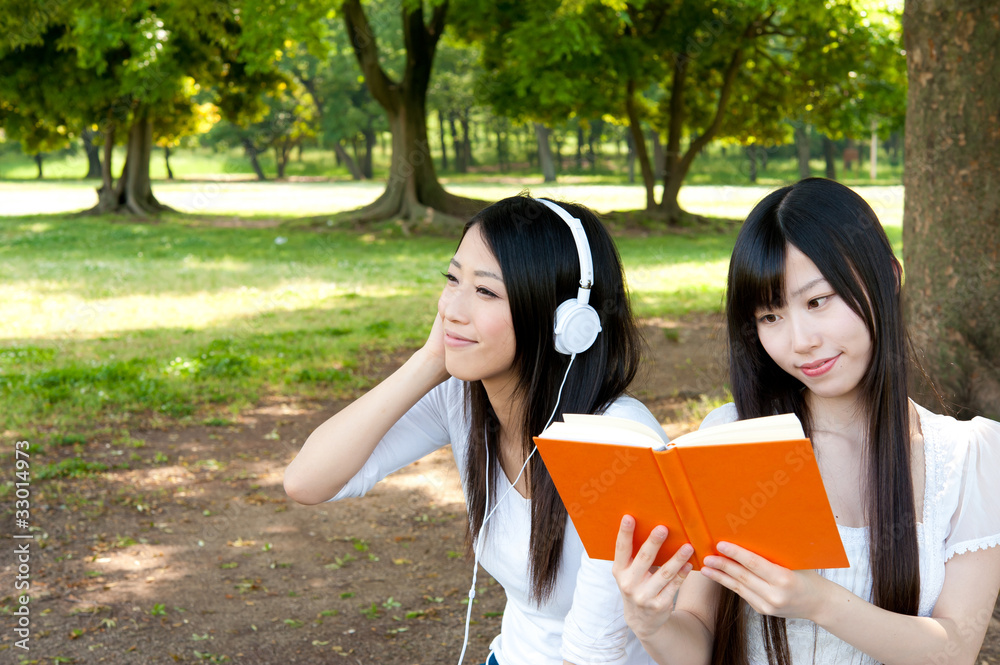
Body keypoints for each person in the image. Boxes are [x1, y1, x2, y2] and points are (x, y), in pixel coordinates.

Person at [612, 178, 1000, 665]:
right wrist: (651, 622)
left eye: (818, 302)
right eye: (770, 316)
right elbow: (696, 645)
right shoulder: (735, 439)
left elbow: (957, 650)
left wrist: (818, 601)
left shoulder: (969, 455)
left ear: (890, 277)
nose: (800, 342)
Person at [284, 194, 666, 665]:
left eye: (486, 291)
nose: (452, 309)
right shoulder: (464, 398)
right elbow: (307, 481)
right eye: (452, 279)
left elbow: (591, 654)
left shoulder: (617, 443)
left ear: (567, 321)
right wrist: (428, 360)